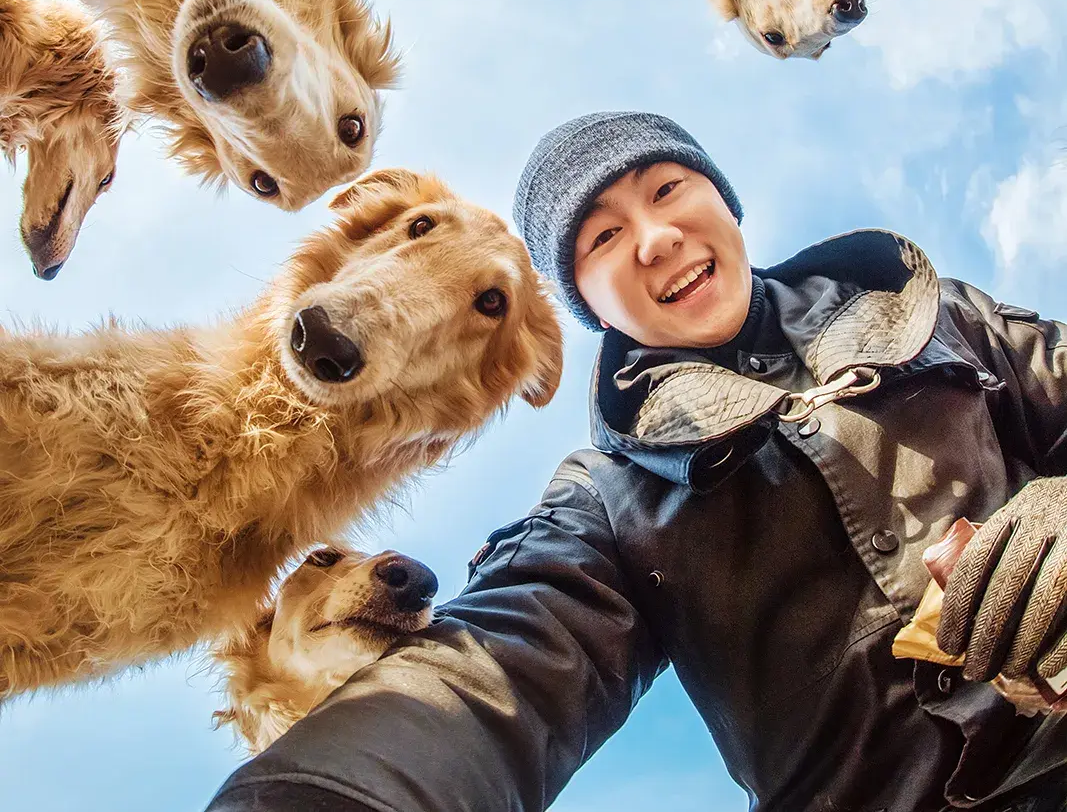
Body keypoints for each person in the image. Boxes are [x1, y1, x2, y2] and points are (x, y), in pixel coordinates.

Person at [205, 111, 1067, 812]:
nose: (654, 237)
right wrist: (324, 795)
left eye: (667, 188)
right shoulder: (607, 497)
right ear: (587, 303)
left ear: (723, 202)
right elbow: (505, 665)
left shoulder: (939, 314)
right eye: (603, 237)